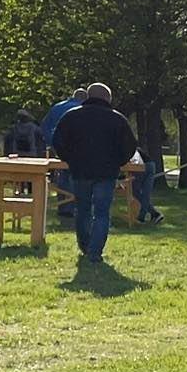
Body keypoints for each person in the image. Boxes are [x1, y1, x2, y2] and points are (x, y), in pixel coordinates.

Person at [49, 82, 137, 266]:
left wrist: (69, 159)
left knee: (82, 210)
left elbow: (57, 141)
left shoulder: (71, 116)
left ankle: (85, 245)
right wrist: (118, 162)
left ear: (89, 96)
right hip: (106, 172)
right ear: (107, 98)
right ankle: (95, 252)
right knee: (102, 212)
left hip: (80, 170)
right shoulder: (117, 119)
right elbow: (129, 146)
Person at [42, 87, 84, 215]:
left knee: (63, 174)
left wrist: (51, 143)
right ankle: (72, 207)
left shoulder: (57, 107)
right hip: (76, 147)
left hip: (57, 146)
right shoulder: (81, 109)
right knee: (75, 175)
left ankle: (63, 206)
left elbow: (44, 125)